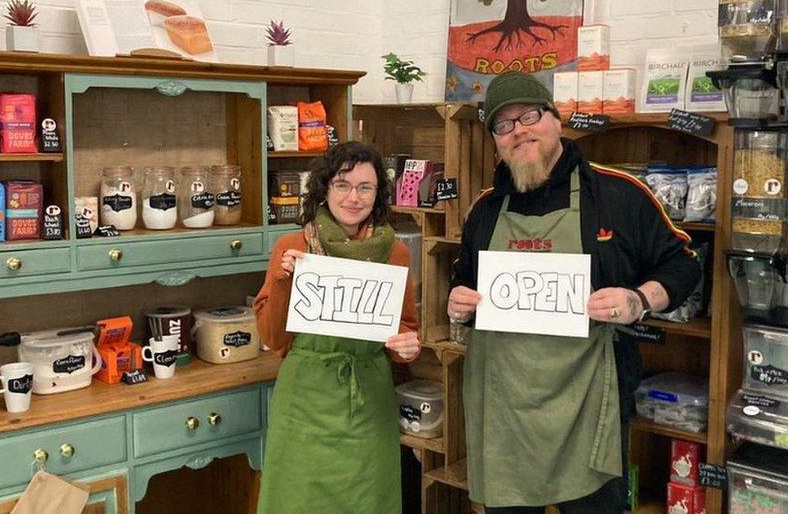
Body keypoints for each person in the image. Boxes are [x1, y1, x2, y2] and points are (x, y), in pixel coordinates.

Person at [447, 72, 701, 513]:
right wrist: (457, 302)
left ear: (555, 120)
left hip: (589, 408)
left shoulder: (619, 194)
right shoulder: (485, 209)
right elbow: (463, 283)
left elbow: (684, 264)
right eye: (503, 126)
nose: (519, 131)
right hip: (504, 413)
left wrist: (638, 300)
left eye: (529, 116)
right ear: (495, 142)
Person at [254, 142, 422, 514]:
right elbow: (272, 337)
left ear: (378, 194)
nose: (353, 197)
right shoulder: (293, 246)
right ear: (324, 189)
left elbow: (403, 329)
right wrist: (283, 280)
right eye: (342, 185)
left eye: (365, 187)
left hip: (368, 402)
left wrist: (407, 346)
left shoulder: (395, 253)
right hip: (304, 403)